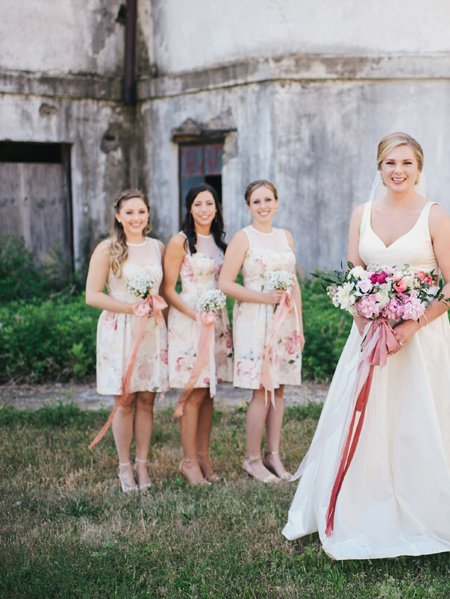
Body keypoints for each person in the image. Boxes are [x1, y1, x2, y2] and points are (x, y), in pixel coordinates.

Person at [283, 132, 450, 559]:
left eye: (406, 164)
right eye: (389, 163)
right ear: (378, 168)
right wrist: (366, 324)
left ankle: (427, 511)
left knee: (416, 421)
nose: (398, 171)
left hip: (421, 339)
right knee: (363, 420)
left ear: (420, 169)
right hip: (367, 338)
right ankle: (358, 509)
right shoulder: (362, 214)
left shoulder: (434, 216)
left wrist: (412, 325)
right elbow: (352, 278)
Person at [219, 180, 304, 484]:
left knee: (279, 389)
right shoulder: (243, 238)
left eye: (268, 199)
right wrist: (263, 298)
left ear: (277, 203)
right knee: (261, 390)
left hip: (285, 321)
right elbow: (226, 284)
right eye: (256, 201)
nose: (263, 206)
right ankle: (251, 459)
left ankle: (273, 455)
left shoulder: (285, 237)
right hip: (255, 318)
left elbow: (293, 282)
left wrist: (300, 326)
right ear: (248, 207)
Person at [85, 189, 167, 492]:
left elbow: (165, 290)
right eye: (129, 212)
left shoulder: (158, 247)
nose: (136, 218)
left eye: (141, 212)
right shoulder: (107, 249)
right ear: (118, 216)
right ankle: (124, 467)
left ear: (148, 214)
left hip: (150, 331)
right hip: (119, 328)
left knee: (147, 399)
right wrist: (130, 308)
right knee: (125, 400)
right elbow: (92, 295)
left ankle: (142, 466)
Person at [163, 184, 233, 485]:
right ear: (189, 209)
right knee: (192, 392)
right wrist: (194, 314)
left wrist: (212, 315)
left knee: (209, 393)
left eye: (210, 204)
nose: (204, 209)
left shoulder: (220, 243)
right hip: (189, 318)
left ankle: (204, 459)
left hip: (215, 320)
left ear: (216, 208)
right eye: (198, 204)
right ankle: (188, 462)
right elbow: (167, 289)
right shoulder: (179, 241)